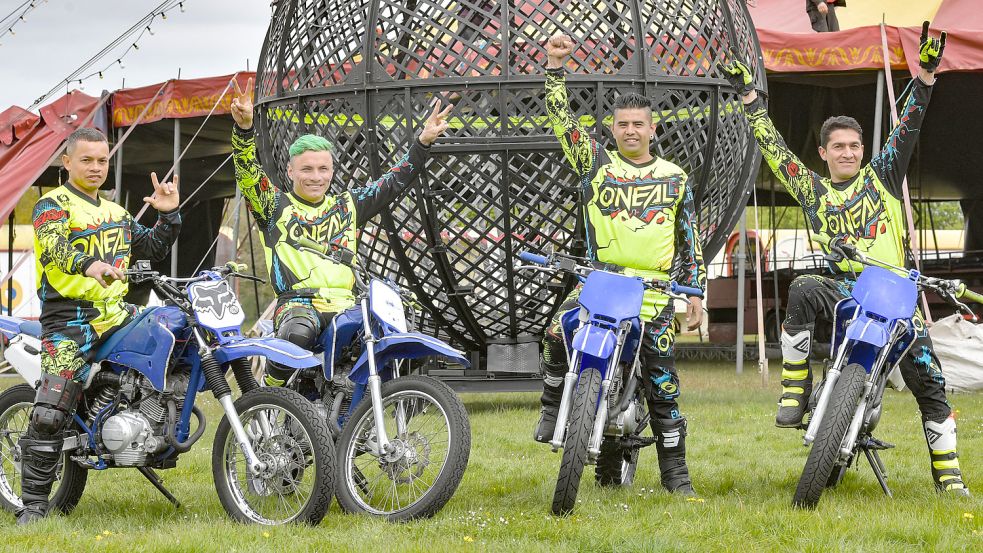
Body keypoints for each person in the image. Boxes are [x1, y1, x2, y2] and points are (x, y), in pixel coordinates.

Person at [721, 22, 968, 495]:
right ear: (824, 153)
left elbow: (909, 125)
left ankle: (948, 476)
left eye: (855, 146)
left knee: (931, 386)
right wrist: (751, 101)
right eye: (839, 146)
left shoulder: (882, 175)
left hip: (895, 295)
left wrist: (927, 76)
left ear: (863, 150)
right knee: (801, 286)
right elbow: (773, 151)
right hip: (846, 293)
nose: (849, 152)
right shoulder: (811, 190)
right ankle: (795, 389)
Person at [536, 33, 707, 495]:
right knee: (555, 334)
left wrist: (695, 293)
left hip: (653, 293)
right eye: (623, 124)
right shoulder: (595, 164)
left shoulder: (675, 178)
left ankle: (677, 477)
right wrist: (554, 68)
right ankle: (553, 404)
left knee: (663, 381)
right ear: (612, 129)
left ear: (654, 130)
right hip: (599, 281)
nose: (631, 131)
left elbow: (688, 240)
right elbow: (560, 121)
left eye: (639, 124)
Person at [229, 79, 452, 384]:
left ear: (332, 171)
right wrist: (243, 132)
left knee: (404, 339)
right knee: (297, 332)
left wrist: (422, 143)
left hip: (347, 304)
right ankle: (271, 393)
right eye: (307, 169)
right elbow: (248, 173)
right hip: (298, 305)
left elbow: (392, 183)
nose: (316, 177)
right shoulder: (273, 205)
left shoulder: (348, 205)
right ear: (291, 171)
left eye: (323, 169)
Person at [18, 128, 181, 524]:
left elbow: (155, 248)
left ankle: (147, 429)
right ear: (67, 162)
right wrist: (89, 265)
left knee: (176, 345)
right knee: (50, 413)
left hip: (117, 313)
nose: (95, 167)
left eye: (102, 160)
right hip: (70, 320)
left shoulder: (117, 212)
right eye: (86, 160)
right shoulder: (51, 205)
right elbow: (56, 248)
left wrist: (169, 213)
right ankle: (35, 507)